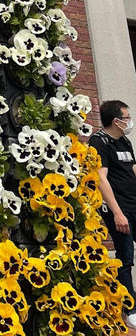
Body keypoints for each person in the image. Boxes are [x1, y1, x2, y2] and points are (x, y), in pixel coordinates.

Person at [90, 99, 136, 327]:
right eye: (127, 118)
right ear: (116, 121)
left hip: (134, 204)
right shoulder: (100, 142)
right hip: (120, 210)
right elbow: (101, 179)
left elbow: (132, 169)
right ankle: (131, 309)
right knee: (125, 258)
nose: (130, 122)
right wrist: (118, 213)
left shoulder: (125, 141)